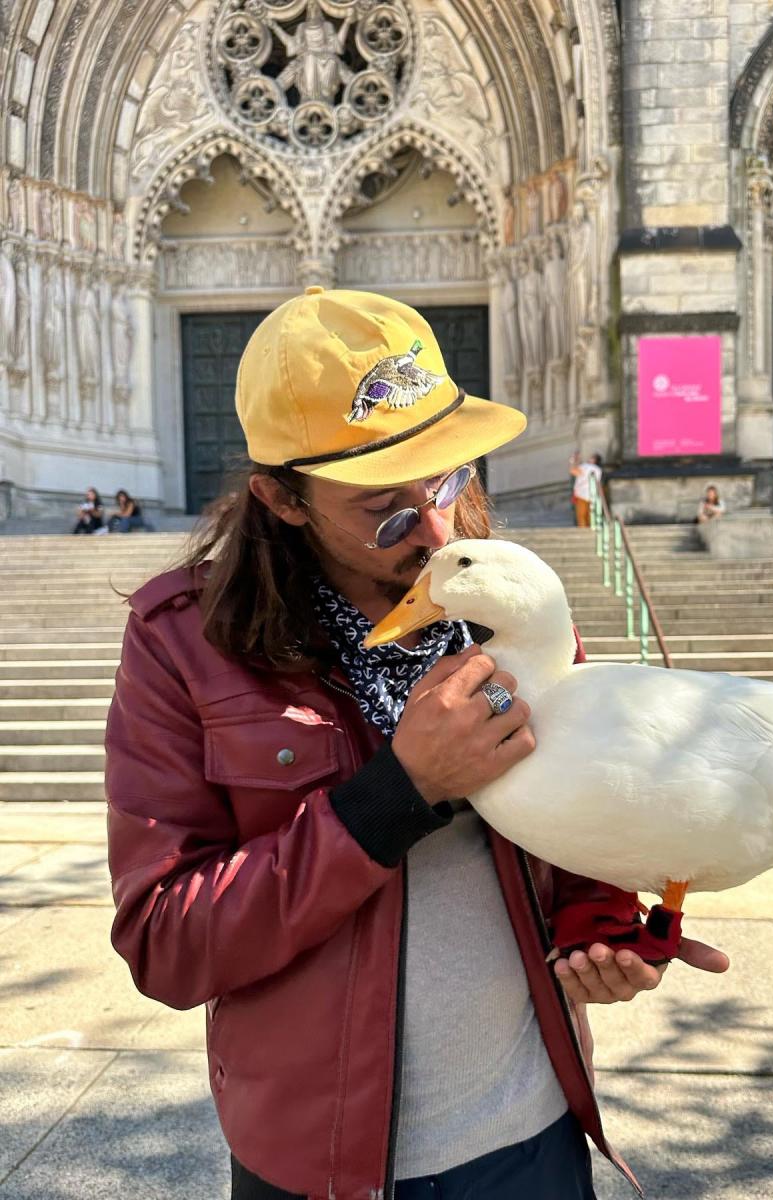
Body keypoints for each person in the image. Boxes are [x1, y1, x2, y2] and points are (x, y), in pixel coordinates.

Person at [105, 290, 727, 1200]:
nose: (438, 530)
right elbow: (166, 942)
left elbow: (583, 801)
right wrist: (395, 795)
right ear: (280, 498)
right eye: (386, 512)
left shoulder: (504, 603)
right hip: (315, 1162)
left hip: (533, 1131)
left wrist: (599, 922)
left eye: (448, 479)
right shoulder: (183, 644)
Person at [570, 452, 603, 528]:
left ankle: (583, 532)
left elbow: (573, 471)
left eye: (591, 457)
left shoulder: (586, 466)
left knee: (581, 516)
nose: (589, 458)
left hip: (582, 494)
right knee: (591, 515)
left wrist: (573, 461)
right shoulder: (599, 470)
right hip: (593, 494)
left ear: (594, 460)